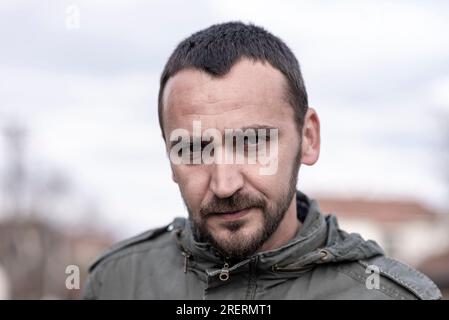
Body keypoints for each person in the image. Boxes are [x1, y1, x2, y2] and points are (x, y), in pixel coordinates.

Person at [82, 22, 441, 300]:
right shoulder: (116, 281)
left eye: (252, 144)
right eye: (193, 150)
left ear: (308, 139)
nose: (224, 185)